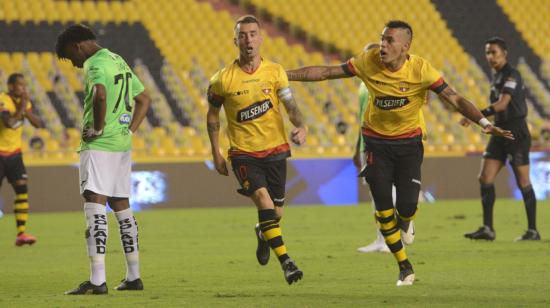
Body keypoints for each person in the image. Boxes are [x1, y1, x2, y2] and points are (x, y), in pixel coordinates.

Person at [286, 20, 513, 286]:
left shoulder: (421, 69)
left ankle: (406, 221)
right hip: (375, 144)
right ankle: (404, 266)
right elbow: (325, 72)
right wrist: (285, 74)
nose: (383, 44)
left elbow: (455, 98)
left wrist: (484, 124)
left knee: (405, 206)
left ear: (406, 46)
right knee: (383, 206)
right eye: (382, 38)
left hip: (408, 145)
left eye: (390, 40)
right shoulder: (367, 61)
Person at [206, 15, 307, 285]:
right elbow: (213, 116)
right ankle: (287, 262)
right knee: (262, 199)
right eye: (243, 35)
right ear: (235, 40)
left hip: (275, 150)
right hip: (243, 152)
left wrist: (301, 125)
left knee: (275, 213)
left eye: (253, 34)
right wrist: (216, 152)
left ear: (261, 38)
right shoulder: (222, 79)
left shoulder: (275, 72)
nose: (248, 39)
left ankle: (263, 232)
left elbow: (290, 105)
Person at [56, 24, 151, 295]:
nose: (73, 64)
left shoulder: (94, 64)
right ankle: (134, 275)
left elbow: (99, 94)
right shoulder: (116, 59)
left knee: (94, 203)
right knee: (122, 206)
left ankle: (97, 280)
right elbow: (144, 99)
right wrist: (128, 131)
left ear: (77, 46)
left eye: (70, 57)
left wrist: (97, 128)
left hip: (98, 145)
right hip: (121, 145)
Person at [462, 37, 540, 241]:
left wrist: (476, 114)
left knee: (523, 181)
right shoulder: (496, 76)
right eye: (487, 52)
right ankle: (488, 229)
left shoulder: (512, 75)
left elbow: (503, 104)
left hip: (516, 132)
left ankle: (532, 230)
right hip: (499, 131)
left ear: (504, 53)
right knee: (485, 177)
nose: (490, 56)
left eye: (493, 52)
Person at [0, 73, 43, 246]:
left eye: (25, 85)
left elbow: (38, 124)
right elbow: (9, 123)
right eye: (20, 85)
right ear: (11, 86)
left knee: (22, 190)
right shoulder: (3, 100)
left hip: (15, 154)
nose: (23, 88)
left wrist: (25, 108)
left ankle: (21, 234)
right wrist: (23, 106)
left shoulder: (25, 104)